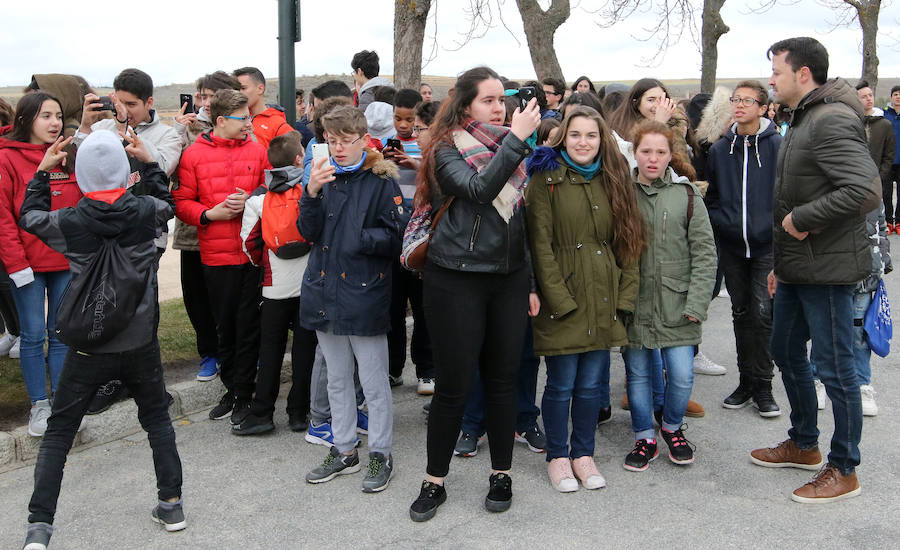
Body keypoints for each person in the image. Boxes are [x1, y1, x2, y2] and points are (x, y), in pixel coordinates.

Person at [19, 130, 184, 549]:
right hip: (139, 338)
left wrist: (41, 175)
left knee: (59, 432)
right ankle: (171, 504)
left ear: (80, 174)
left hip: (89, 343)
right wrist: (148, 164)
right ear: (124, 171)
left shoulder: (70, 222)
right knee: (157, 420)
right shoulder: (146, 211)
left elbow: (30, 218)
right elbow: (167, 204)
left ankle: (40, 526)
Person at [750, 36, 881, 503]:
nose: (771, 80)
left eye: (777, 72)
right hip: (797, 269)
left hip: (828, 270)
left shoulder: (831, 119)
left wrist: (802, 221)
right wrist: (781, 265)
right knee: (785, 349)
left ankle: (844, 468)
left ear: (803, 74)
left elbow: (866, 192)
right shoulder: (805, 116)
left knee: (836, 369)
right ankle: (804, 443)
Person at [407, 66, 541, 522]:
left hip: (507, 278)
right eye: (488, 100)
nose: (499, 107)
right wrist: (517, 140)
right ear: (465, 105)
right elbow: (480, 191)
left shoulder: (511, 146)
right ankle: (434, 480)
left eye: (501, 98)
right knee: (455, 387)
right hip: (456, 277)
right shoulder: (445, 148)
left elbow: (525, 223)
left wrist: (532, 283)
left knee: (503, 381)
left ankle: (501, 473)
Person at [525, 105, 644, 491]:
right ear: (563, 137)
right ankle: (558, 456)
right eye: (575, 134)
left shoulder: (614, 176)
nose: (583, 142)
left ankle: (584, 454)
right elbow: (539, 244)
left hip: (604, 297)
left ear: (602, 139)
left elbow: (628, 243)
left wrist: (624, 299)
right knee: (561, 384)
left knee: (593, 385)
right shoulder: (546, 177)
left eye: (591, 135)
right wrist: (558, 299)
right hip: (565, 296)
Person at [299, 105, 405, 492]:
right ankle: (343, 450)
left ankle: (381, 453)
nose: (338, 147)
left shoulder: (381, 181)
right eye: (331, 140)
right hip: (324, 289)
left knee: (374, 383)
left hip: (364, 292)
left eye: (346, 140)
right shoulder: (321, 176)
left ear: (363, 138)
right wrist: (310, 192)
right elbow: (306, 232)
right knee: (337, 381)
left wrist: (360, 238)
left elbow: (397, 237)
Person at [74, 67, 183, 413]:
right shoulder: (102, 128)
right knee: (107, 308)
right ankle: (113, 380)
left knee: (143, 309)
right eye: (118, 102)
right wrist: (85, 127)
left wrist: (129, 129)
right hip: (106, 234)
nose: (123, 109)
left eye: (131, 104)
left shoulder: (167, 134)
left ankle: (150, 384)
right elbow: (80, 166)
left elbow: (161, 167)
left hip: (146, 234)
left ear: (150, 102)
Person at [623, 120, 716, 472]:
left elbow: (705, 253)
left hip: (678, 303)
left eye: (660, 152)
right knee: (639, 375)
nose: (652, 159)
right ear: (635, 153)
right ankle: (644, 436)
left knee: (680, 374)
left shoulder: (686, 195)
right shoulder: (622, 194)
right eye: (646, 151)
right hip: (636, 302)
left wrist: (697, 302)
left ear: (670, 156)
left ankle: (672, 427)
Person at [173, 89, 268, 425]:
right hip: (215, 256)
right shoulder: (193, 155)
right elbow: (182, 202)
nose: (249, 123)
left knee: (248, 328)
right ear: (222, 120)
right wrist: (209, 215)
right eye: (243, 118)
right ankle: (232, 389)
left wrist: (253, 200)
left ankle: (245, 393)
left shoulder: (258, 151)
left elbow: (274, 189)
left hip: (253, 256)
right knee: (223, 327)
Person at [0, 92, 82, 437]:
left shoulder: (70, 155)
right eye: (46, 116)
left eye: (58, 116)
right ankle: (40, 405)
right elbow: (4, 218)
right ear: (26, 120)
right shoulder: (7, 158)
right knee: (32, 336)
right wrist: (17, 265)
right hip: (27, 267)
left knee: (61, 335)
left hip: (64, 263)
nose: (54, 123)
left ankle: (61, 405)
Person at [705, 80, 783, 418]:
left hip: (767, 245)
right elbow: (712, 197)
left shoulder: (778, 145)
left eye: (748, 101)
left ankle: (763, 386)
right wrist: (724, 222)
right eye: (736, 99)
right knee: (740, 312)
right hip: (733, 245)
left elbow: (787, 196)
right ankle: (746, 382)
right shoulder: (721, 149)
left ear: (763, 108)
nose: (739, 105)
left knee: (763, 314)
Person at [231, 131, 314, 435]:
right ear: (298, 159)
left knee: (270, 351)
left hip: (274, 286)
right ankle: (298, 412)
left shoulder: (258, 198)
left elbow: (249, 244)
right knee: (305, 349)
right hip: (307, 285)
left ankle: (262, 412)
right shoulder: (309, 191)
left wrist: (264, 264)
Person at [172, 71, 242, 383]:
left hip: (230, 233)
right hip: (193, 231)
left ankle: (236, 355)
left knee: (230, 303)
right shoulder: (187, 131)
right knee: (197, 297)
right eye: (201, 96)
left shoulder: (241, 131)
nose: (204, 103)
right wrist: (179, 130)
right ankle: (209, 354)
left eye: (211, 97)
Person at [381, 88, 436, 393]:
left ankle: (427, 370)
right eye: (398, 119)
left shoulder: (429, 146)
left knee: (424, 307)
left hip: (421, 236)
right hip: (393, 236)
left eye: (410, 120)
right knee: (393, 307)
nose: (403, 126)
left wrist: (414, 166)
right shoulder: (382, 144)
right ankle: (392, 368)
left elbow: (437, 181)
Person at [856, 81, 896, 235]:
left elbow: (889, 154)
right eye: (864, 97)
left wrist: (880, 176)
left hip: (876, 179)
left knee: (876, 223)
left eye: (870, 95)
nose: (868, 99)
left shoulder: (884, 124)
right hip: (855, 180)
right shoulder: (853, 122)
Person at [233, 67, 293, 148]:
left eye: (243, 88)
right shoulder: (233, 120)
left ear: (260, 89)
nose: (239, 93)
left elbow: (291, 157)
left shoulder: (278, 125)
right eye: (236, 89)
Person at [882, 86, 900, 230]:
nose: (898, 97)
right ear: (891, 97)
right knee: (886, 194)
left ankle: (898, 222)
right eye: (895, 94)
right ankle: (888, 222)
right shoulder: (884, 114)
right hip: (888, 161)